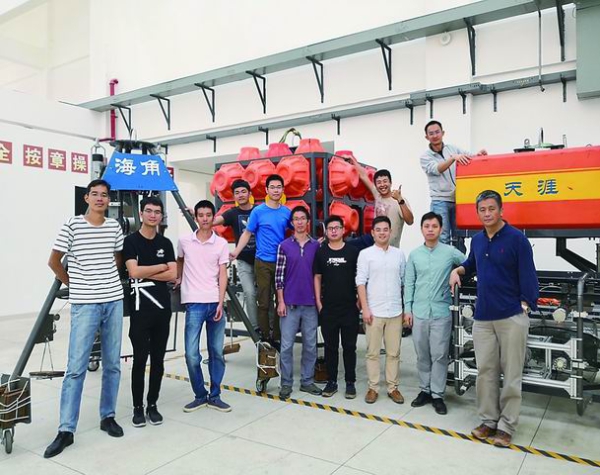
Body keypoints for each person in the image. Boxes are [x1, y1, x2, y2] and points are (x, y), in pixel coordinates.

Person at [449, 190, 538, 447]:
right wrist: (458, 270)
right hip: (483, 317)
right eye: (482, 209)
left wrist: (525, 305)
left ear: (501, 210)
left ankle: (506, 426)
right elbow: (472, 264)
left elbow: (529, 275)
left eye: (491, 208)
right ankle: (489, 421)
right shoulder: (477, 240)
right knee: (485, 371)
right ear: (477, 212)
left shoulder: (517, 239)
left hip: (511, 316)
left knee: (511, 374)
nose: (487, 213)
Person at [44, 179, 125, 458]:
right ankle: (66, 430)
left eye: (104, 195)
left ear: (108, 200)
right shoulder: (72, 225)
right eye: (95, 194)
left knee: (112, 364)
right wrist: (76, 284)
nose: (100, 198)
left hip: (113, 300)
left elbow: (117, 259)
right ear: (87, 198)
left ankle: (108, 416)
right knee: (76, 367)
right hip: (85, 304)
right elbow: (54, 261)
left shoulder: (114, 227)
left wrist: (105, 280)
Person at [403, 212, 466, 415]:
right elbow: (409, 283)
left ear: (441, 229)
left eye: (434, 226)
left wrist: (456, 272)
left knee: (439, 355)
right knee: (422, 354)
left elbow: (468, 263)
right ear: (422, 229)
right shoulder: (414, 255)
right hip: (419, 312)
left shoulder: (450, 252)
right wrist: (407, 309)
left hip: (441, 312)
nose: (430, 229)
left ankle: (437, 394)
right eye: (426, 226)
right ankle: (425, 390)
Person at [122, 196, 176, 427]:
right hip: (140, 310)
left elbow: (173, 274)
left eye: (157, 212)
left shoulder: (166, 244)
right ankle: (137, 407)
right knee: (140, 359)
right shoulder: (131, 242)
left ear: (161, 216)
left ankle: (152, 404)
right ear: (141, 213)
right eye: (149, 211)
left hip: (162, 310)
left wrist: (147, 271)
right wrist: (161, 267)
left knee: (158, 360)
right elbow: (133, 272)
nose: (153, 215)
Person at [177, 200, 231, 413]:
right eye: (201, 215)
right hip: (194, 304)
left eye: (209, 215)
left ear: (213, 216)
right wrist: (179, 278)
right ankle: (200, 395)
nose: (205, 218)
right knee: (191, 355)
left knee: (216, 352)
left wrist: (220, 302)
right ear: (196, 217)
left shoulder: (221, 244)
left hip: (215, 303)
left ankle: (215, 396)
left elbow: (223, 274)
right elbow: (180, 261)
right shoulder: (184, 241)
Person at [230, 174, 291, 347]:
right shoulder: (258, 211)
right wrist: (236, 251)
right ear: (266, 190)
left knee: (281, 301)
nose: (276, 190)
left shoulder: (287, 212)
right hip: (262, 262)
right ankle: (265, 338)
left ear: (283, 190)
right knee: (264, 301)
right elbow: (247, 233)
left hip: (281, 262)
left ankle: (277, 336)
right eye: (272, 187)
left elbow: (297, 233)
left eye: (279, 187)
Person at [356, 216, 406, 404]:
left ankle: (393, 388)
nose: (382, 233)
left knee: (394, 353)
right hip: (374, 312)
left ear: (390, 232)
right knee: (372, 353)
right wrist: (365, 309)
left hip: (395, 311)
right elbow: (360, 282)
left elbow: (403, 281)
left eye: (386, 229)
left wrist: (404, 309)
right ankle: (373, 387)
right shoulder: (365, 254)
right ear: (372, 233)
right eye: (378, 230)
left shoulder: (399, 254)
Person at [275, 206, 322, 399]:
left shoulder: (316, 246)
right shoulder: (284, 246)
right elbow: (279, 276)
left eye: (303, 218)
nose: (300, 222)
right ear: (292, 223)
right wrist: (281, 301)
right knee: (286, 347)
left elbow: (320, 275)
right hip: (290, 304)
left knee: (310, 346)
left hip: (310, 304)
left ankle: (307, 381)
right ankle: (286, 383)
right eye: (296, 219)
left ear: (308, 222)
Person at [420, 120, 487, 249]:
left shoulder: (452, 149)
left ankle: (460, 262)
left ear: (443, 133)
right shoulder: (425, 157)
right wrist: (453, 158)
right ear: (426, 137)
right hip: (440, 201)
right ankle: (444, 262)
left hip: (458, 199)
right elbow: (437, 169)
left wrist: (479, 155)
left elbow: (469, 157)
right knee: (442, 236)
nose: (435, 135)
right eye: (431, 133)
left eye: (437, 132)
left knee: (459, 236)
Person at [314, 215, 360, 399]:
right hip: (329, 309)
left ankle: (350, 382)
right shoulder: (321, 252)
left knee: (349, 347)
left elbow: (360, 277)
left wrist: (359, 300)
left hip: (349, 308)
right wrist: (319, 303)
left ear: (343, 230)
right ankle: (331, 382)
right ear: (326, 232)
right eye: (330, 228)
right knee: (330, 347)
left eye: (337, 228)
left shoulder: (353, 251)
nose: (333, 231)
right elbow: (317, 277)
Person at [213, 179, 258, 330]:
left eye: (243, 191)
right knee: (249, 294)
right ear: (233, 196)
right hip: (244, 262)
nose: (241, 195)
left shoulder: (259, 211)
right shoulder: (232, 213)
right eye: (237, 193)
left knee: (266, 296)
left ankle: (269, 327)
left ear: (250, 193)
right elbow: (213, 221)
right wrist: (196, 214)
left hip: (262, 261)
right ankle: (255, 328)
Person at [350, 156, 414, 248]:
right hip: (374, 243)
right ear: (376, 185)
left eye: (385, 181)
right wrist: (353, 161)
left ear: (390, 183)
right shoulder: (377, 195)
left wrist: (400, 200)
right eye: (379, 182)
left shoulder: (398, 200)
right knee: (350, 246)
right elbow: (363, 175)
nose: (382, 185)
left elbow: (410, 221)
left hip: (390, 247)